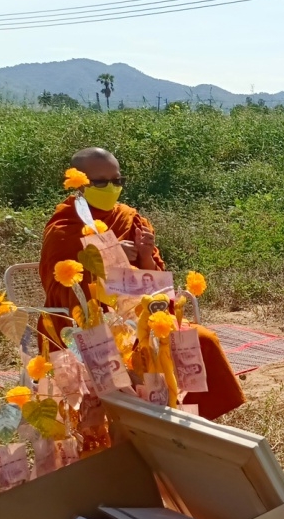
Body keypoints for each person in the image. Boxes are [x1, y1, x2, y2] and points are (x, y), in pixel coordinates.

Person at [39, 148, 245, 420]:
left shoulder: (129, 217)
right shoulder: (64, 228)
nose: (111, 188)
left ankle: (191, 423)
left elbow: (156, 283)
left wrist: (146, 255)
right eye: (101, 182)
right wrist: (106, 257)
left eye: (117, 180)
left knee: (203, 340)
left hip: (141, 318)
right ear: (79, 184)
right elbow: (59, 289)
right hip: (88, 325)